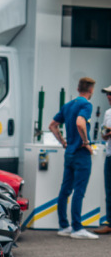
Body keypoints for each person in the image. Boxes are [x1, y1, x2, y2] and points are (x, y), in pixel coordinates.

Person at [49, 77, 99, 239]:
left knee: (65, 190)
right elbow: (80, 123)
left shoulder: (68, 105)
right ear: (91, 90)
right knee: (79, 191)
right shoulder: (86, 105)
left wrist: (63, 142)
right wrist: (86, 142)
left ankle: (64, 226)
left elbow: (52, 125)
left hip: (69, 152)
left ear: (78, 89)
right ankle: (77, 228)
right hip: (81, 153)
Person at [97, 85, 111, 234]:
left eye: (110, 94)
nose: (108, 97)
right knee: (109, 190)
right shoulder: (108, 113)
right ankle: (110, 223)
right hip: (109, 154)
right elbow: (103, 132)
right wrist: (105, 134)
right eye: (107, 94)